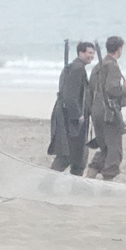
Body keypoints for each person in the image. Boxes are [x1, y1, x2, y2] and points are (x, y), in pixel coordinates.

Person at [85, 35, 126, 180]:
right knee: (114, 151)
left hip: (96, 112)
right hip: (109, 114)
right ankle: (107, 183)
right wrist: (125, 89)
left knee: (104, 148)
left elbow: (90, 90)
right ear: (119, 49)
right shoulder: (113, 66)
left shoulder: (98, 66)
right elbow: (113, 89)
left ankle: (90, 177)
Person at [48, 41, 98, 173]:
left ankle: (74, 183)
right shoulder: (77, 69)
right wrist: (78, 115)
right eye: (89, 53)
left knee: (75, 154)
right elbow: (70, 95)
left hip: (68, 116)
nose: (92, 56)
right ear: (81, 53)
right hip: (71, 119)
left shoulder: (74, 67)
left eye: (93, 53)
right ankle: (48, 183)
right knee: (69, 153)